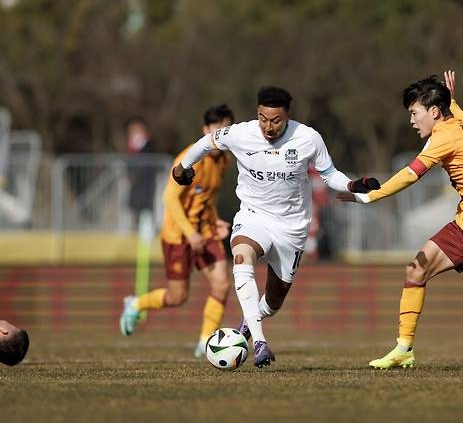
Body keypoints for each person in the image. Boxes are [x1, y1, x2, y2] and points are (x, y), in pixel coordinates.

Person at [172, 87, 380, 367]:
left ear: (288, 116)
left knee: (273, 302)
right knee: (241, 257)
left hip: (292, 227)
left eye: (276, 120)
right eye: (263, 119)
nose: (268, 127)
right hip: (253, 216)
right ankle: (259, 343)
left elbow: (329, 175)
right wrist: (182, 168)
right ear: (257, 113)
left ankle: (248, 325)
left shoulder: (308, 138)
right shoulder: (240, 133)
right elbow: (206, 143)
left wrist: (354, 185)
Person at [338, 71, 463, 371]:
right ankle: (403, 349)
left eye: (414, 113)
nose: (411, 121)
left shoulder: (443, 137)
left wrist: (370, 197)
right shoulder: (461, 121)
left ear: (434, 111)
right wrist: (452, 96)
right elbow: (454, 111)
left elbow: (411, 174)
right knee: (416, 268)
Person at [120, 105, 235, 357]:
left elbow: (207, 197)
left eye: (226, 128)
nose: (221, 134)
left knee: (222, 283)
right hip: (178, 235)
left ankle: (206, 342)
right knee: (177, 297)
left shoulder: (225, 159)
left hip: (204, 230)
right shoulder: (191, 158)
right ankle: (136, 304)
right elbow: (169, 198)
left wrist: (215, 221)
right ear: (206, 130)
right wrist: (190, 234)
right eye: (217, 128)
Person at [125, 116, 157, 228]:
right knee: (135, 213)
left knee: (145, 215)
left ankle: (145, 243)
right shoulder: (132, 147)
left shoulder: (148, 145)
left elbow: (147, 165)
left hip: (145, 185)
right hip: (136, 187)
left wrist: (136, 175)